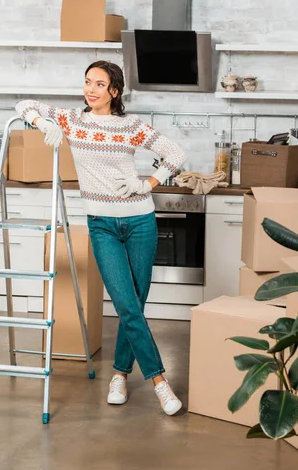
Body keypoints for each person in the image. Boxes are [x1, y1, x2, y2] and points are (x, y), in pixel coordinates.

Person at [15, 61, 187, 416]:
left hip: (140, 221)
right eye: (87, 82)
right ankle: (159, 383)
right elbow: (24, 104)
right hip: (102, 225)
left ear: (114, 91)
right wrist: (42, 122)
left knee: (133, 306)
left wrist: (147, 183)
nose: (90, 90)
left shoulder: (131, 127)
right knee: (126, 304)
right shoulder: (74, 121)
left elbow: (176, 154)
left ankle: (120, 375)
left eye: (100, 84)